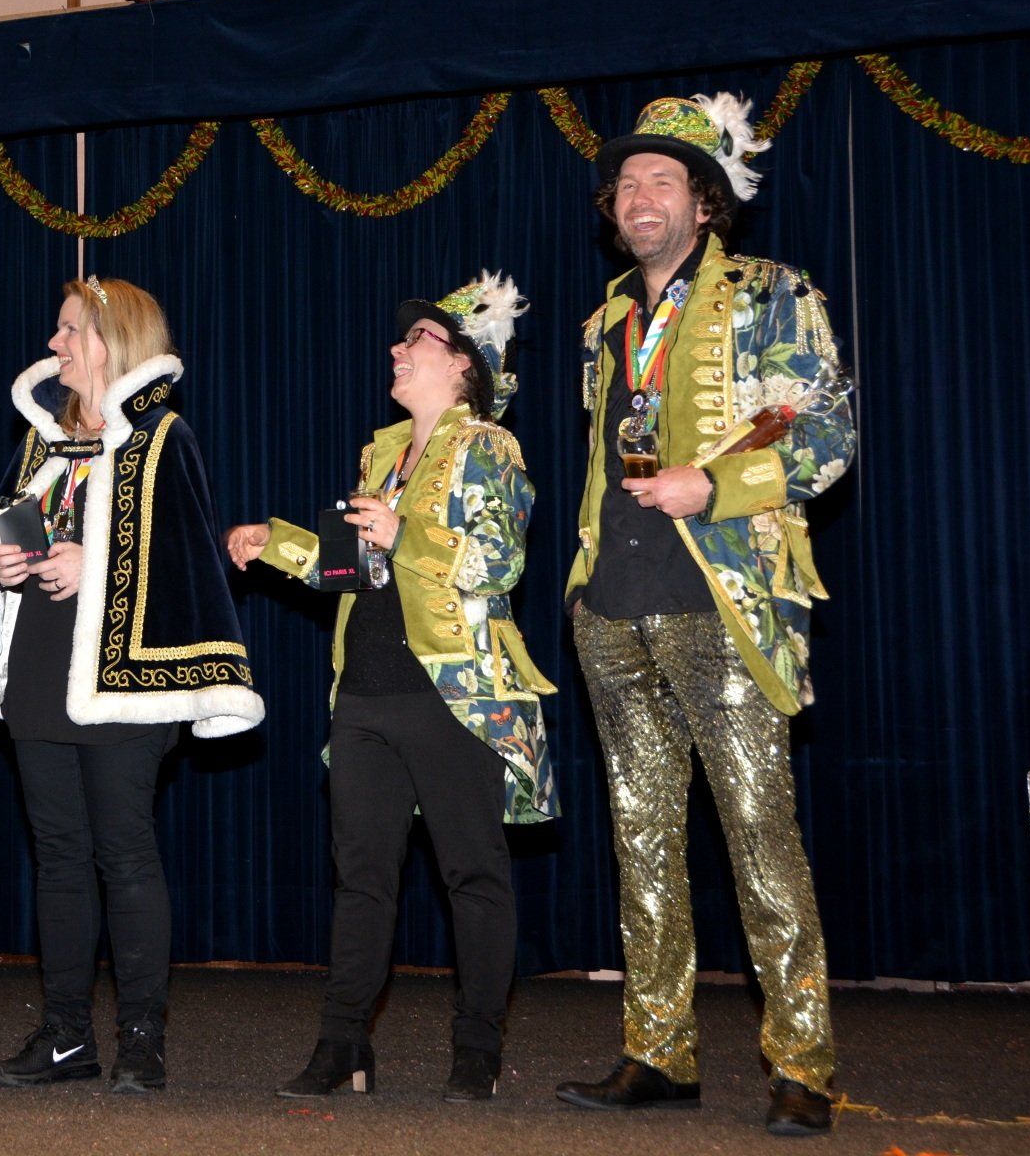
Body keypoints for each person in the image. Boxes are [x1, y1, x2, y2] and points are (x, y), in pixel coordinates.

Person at [552, 94, 856, 1138]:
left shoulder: (772, 293)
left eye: (663, 180)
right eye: (627, 184)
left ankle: (803, 1063)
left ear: (706, 201)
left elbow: (828, 438)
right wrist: (582, 588)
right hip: (612, 609)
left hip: (721, 602)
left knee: (759, 834)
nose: (641, 197)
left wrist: (714, 487)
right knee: (640, 839)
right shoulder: (604, 322)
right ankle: (658, 1051)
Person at [0, 276, 262, 1094]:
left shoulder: (161, 438)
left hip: (125, 677)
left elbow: (187, 561)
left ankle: (142, 1037)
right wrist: (6, 565)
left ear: (114, 341)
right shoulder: (42, 441)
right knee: (59, 858)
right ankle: (66, 1035)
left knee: (125, 851)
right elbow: (13, 534)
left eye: (70, 330)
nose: (55, 344)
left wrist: (97, 565)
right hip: (40, 669)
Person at [226, 273, 557, 1103]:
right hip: (367, 692)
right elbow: (354, 567)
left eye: (416, 341)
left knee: (472, 875)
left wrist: (406, 530)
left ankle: (477, 1049)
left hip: (456, 693)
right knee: (361, 878)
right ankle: (342, 1043)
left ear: (463, 364)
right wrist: (277, 542)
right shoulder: (382, 453)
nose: (397, 349)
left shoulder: (490, 448)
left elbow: (501, 563)